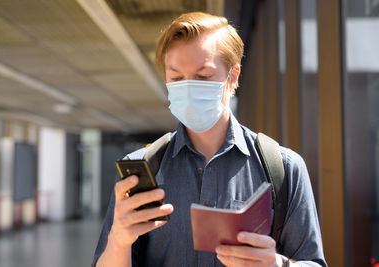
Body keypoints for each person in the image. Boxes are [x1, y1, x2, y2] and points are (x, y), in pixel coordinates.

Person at [92, 12, 327, 267]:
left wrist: (277, 264)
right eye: (177, 79)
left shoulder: (284, 168)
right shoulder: (142, 169)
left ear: (233, 76)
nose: (190, 89)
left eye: (204, 76)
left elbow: (312, 262)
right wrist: (118, 240)